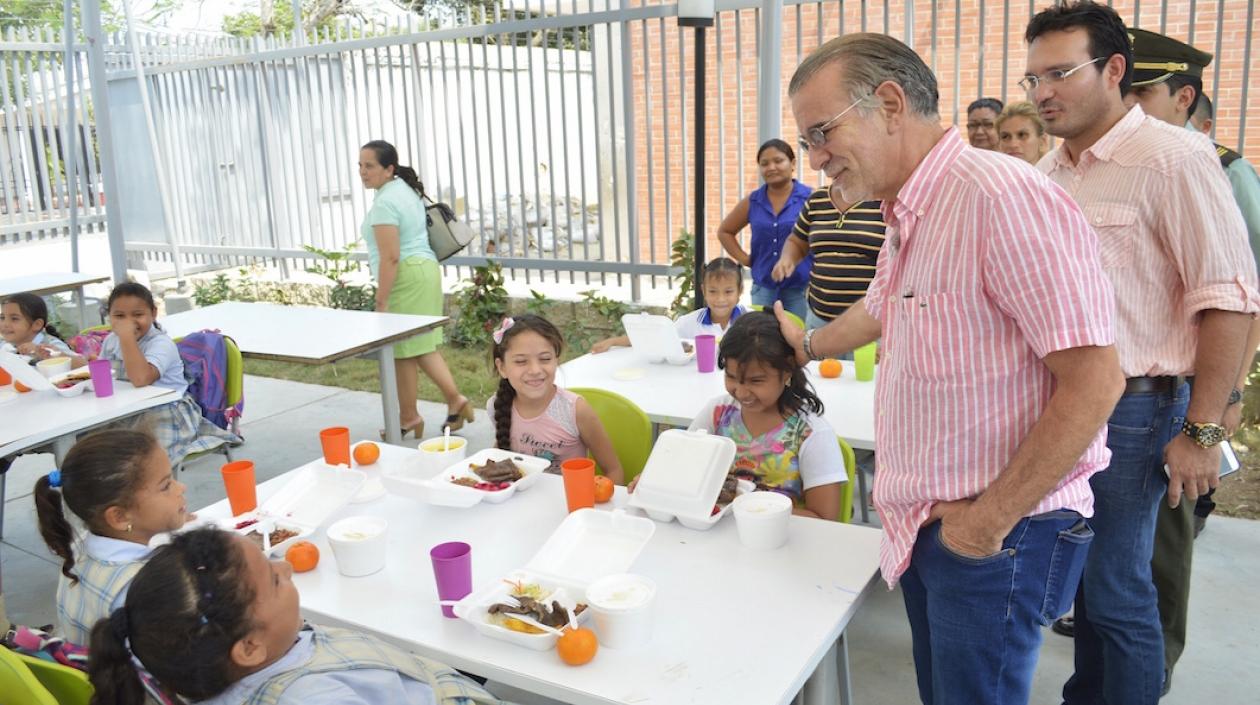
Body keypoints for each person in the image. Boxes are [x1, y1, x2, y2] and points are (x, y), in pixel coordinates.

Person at [786, 32, 1123, 705]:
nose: (816, 158)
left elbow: (1095, 379)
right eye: (807, 142)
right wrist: (806, 344)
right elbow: (879, 309)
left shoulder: (998, 196)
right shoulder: (909, 209)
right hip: (936, 527)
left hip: (998, 532)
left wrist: (985, 524)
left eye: (821, 132)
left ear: (888, 103)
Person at [1023, 4, 1260, 704]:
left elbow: (1228, 301)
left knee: (1120, 588)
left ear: (1114, 70)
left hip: (1135, 411)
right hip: (1063, 408)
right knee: (1085, 587)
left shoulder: (1174, 158)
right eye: (1033, 77)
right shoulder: (1048, 171)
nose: (1042, 93)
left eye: (1061, 73)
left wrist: (1204, 430)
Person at [1122, 25, 1260, 690]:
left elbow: (1243, 296)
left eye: (1142, 90)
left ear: (1184, 96)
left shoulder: (1223, 168)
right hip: (1121, 398)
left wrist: (1223, 401)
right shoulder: (1127, 162)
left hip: (1181, 391)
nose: (1129, 102)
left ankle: (1158, 664)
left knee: (1165, 544)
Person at [85, 527, 504, 705]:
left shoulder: (254, 649)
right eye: (274, 579)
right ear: (249, 647)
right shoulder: (311, 699)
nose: (286, 567)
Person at [359, 140, 473, 439]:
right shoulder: (405, 190)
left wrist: (381, 300)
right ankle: (433, 408)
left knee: (405, 348)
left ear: (388, 169)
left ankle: (415, 415)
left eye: (369, 166)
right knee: (413, 348)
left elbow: (391, 256)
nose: (362, 172)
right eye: (360, 165)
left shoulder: (384, 202)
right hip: (424, 272)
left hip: (405, 277)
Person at [33, 430, 188, 646]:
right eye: (165, 486)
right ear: (120, 517)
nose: (181, 487)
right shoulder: (143, 588)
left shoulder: (78, 550)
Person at [689, 311, 844, 520]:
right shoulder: (718, 412)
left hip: (782, 543)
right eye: (732, 377)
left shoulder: (810, 433)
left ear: (787, 371)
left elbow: (825, 520)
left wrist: (753, 508)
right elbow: (684, 467)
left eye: (756, 381)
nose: (741, 392)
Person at [86, 282, 239, 464]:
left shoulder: (160, 343)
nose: (128, 322)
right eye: (119, 316)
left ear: (153, 313)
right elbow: (106, 375)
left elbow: (141, 378)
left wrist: (126, 337)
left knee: (143, 460)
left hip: (167, 413)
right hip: (128, 411)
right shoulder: (111, 341)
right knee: (89, 447)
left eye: (137, 315)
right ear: (109, 317)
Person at [489, 314, 624, 483]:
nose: (535, 369)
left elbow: (613, 470)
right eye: (521, 361)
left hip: (570, 503)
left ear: (556, 361)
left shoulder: (574, 410)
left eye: (545, 359)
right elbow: (501, 451)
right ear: (502, 367)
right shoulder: (497, 405)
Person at [715, 139, 813, 322]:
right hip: (764, 289)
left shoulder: (809, 198)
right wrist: (745, 259)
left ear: (792, 164)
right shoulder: (753, 201)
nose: (771, 167)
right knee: (763, 339)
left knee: (800, 339)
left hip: (801, 288)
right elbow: (725, 231)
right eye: (764, 163)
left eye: (778, 161)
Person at [771, 179, 886, 332]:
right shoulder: (818, 199)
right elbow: (797, 241)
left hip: (868, 323)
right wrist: (787, 258)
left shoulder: (883, 200)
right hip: (819, 319)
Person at [591, 257, 749, 352]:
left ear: (740, 291)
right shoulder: (690, 323)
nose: (720, 299)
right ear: (703, 290)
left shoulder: (752, 321)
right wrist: (613, 342)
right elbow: (654, 336)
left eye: (728, 292)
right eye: (713, 291)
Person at [0, 293, 74, 359]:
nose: (5, 324)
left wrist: (47, 353)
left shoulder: (51, 344)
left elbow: (81, 364)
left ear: (37, 325)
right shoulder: (5, 346)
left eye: (14, 319)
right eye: (2, 318)